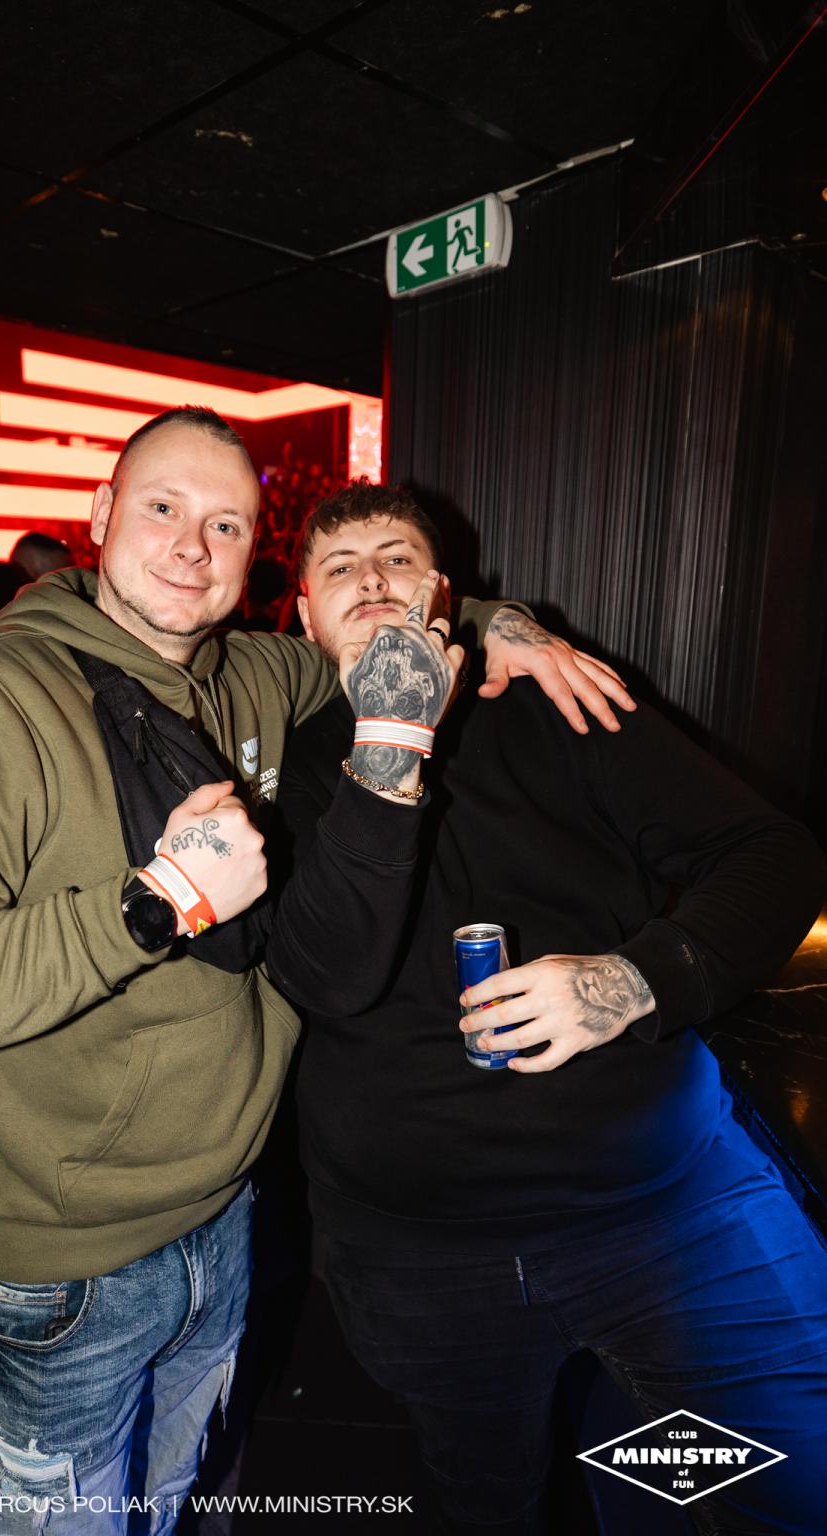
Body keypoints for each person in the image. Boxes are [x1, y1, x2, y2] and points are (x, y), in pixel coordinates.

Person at [0, 410, 628, 1534]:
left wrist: (507, 626)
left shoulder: (251, 673)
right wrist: (155, 901)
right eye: (162, 507)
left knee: (175, 1510)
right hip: (60, 1268)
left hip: (225, 1219)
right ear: (101, 514)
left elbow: (378, 615)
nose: (191, 546)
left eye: (226, 525)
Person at [278, 479, 827, 1536]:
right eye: (339, 568)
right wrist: (389, 741)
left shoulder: (556, 706)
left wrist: (630, 982)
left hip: (667, 1206)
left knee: (779, 1490)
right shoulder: (287, 766)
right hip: (419, 1254)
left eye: (397, 560)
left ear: (443, 596)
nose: (372, 580)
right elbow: (325, 975)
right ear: (303, 615)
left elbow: (773, 855)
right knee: (488, 1503)